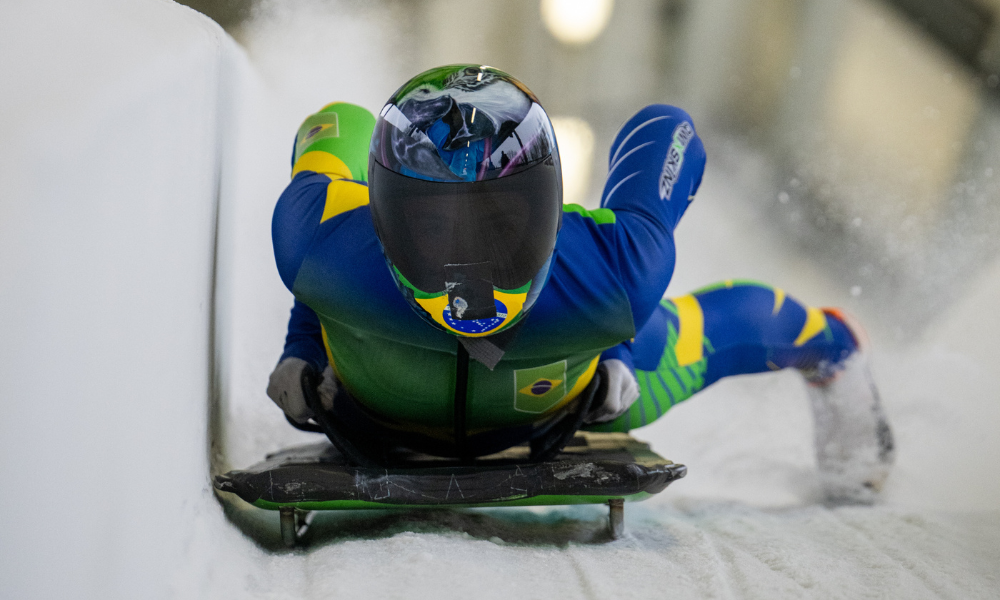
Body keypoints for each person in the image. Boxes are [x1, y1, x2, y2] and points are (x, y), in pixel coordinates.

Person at [267, 65, 894, 502]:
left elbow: (671, 127)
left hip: (506, 397)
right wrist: (307, 339)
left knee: (713, 330)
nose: (470, 258)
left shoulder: (318, 241)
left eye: (499, 223)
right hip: (550, 396)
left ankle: (836, 349)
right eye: (435, 224)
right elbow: (665, 130)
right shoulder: (609, 275)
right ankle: (830, 350)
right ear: (387, 219)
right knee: (693, 335)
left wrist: (305, 348)